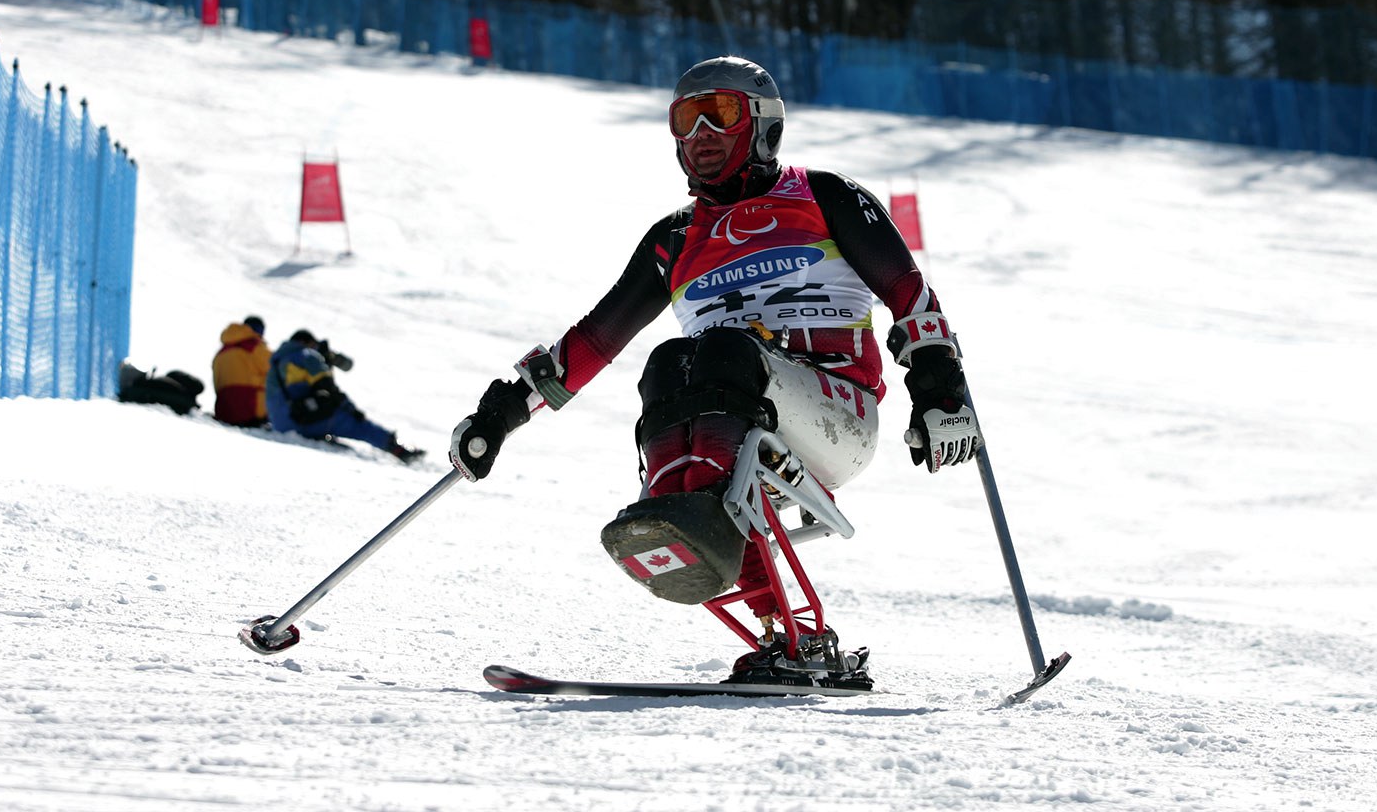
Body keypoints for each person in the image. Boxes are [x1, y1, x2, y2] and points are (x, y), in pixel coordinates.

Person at [448, 56, 982, 691]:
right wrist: (502, 413)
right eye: (684, 117)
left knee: (723, 348)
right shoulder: (673, 239)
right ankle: (779, 626)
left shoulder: (824, 195)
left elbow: (910, 296)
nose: (700, 131)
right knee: (668, 362)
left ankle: (701, 531)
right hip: (732, 419)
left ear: (762, 124)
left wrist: (939, 391)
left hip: (836, 412)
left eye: (720, 112)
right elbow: (594, 340)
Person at [266, 328, 424, 463]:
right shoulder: (306, 355)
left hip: (281, 424)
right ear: (307, 342)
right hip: (301, 421)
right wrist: (352, 410)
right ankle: (398, 450)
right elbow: (328, 386)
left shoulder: (276, 362)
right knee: (355, 422)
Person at [212, 315, 272, 427]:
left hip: (224, 410)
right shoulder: (255, 347)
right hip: (250, 411)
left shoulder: (221, 353)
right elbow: (275, 370)